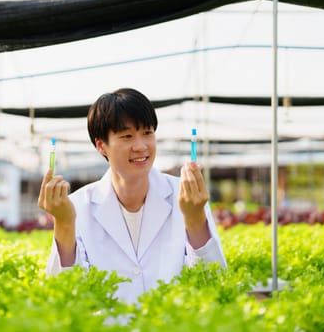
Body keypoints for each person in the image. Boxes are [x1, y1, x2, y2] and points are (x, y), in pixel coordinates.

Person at [39, 88, 226, 303]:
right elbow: (62, 299)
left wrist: (194, 218)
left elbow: (215, 285)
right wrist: (63, 223)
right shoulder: (77, 208)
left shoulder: (186, 197)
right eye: (127, 136)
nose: (140, 146)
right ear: (102, 146)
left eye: (147, 133)